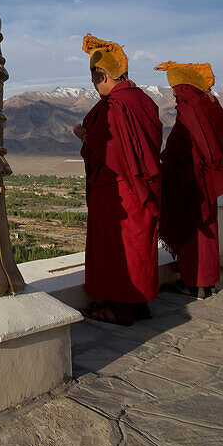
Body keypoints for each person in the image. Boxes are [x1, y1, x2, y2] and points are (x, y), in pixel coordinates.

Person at [74, 34, 163, 325]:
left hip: (118, 188)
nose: (94, 85)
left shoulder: (114, 106)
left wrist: (86, 137)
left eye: (95, 79)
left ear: (102, 75)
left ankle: (118, 309)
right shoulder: (144, 101)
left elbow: (109, 146)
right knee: (139, 245)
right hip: (144, 185)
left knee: (117, 246)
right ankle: (139, 304)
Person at [155, 61, 223, 299]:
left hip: (190, 182)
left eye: (177, 91)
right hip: (208, 180)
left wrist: (165, 158)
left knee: (192, 231)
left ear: (185, 89)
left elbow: (183, 143)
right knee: (208, 226)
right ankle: (207, 283)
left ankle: (194, 283)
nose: (175, 98)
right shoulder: (214, 107)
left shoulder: (191, 110)